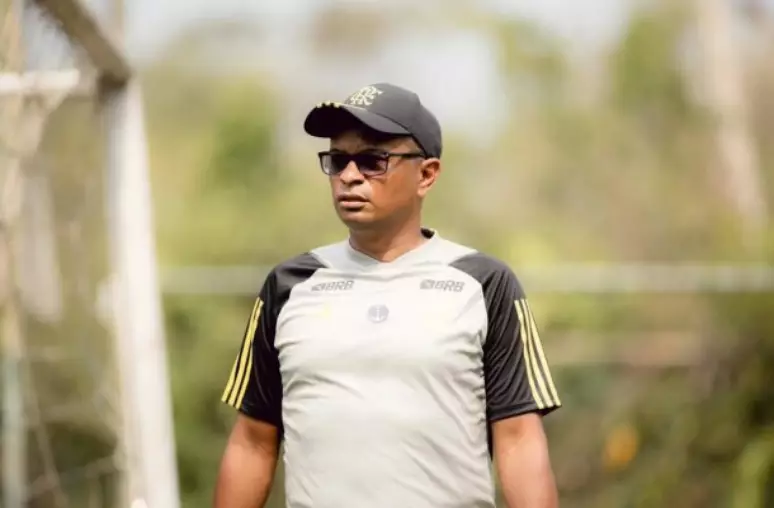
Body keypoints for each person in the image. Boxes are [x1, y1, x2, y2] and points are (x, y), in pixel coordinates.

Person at [214, 83, 562, 508]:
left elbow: (519, 441)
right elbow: (252, 443)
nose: (349, 175)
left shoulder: (484, 283)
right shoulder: (288, 286)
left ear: (427, 174)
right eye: (338, 160)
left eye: (373, 160)